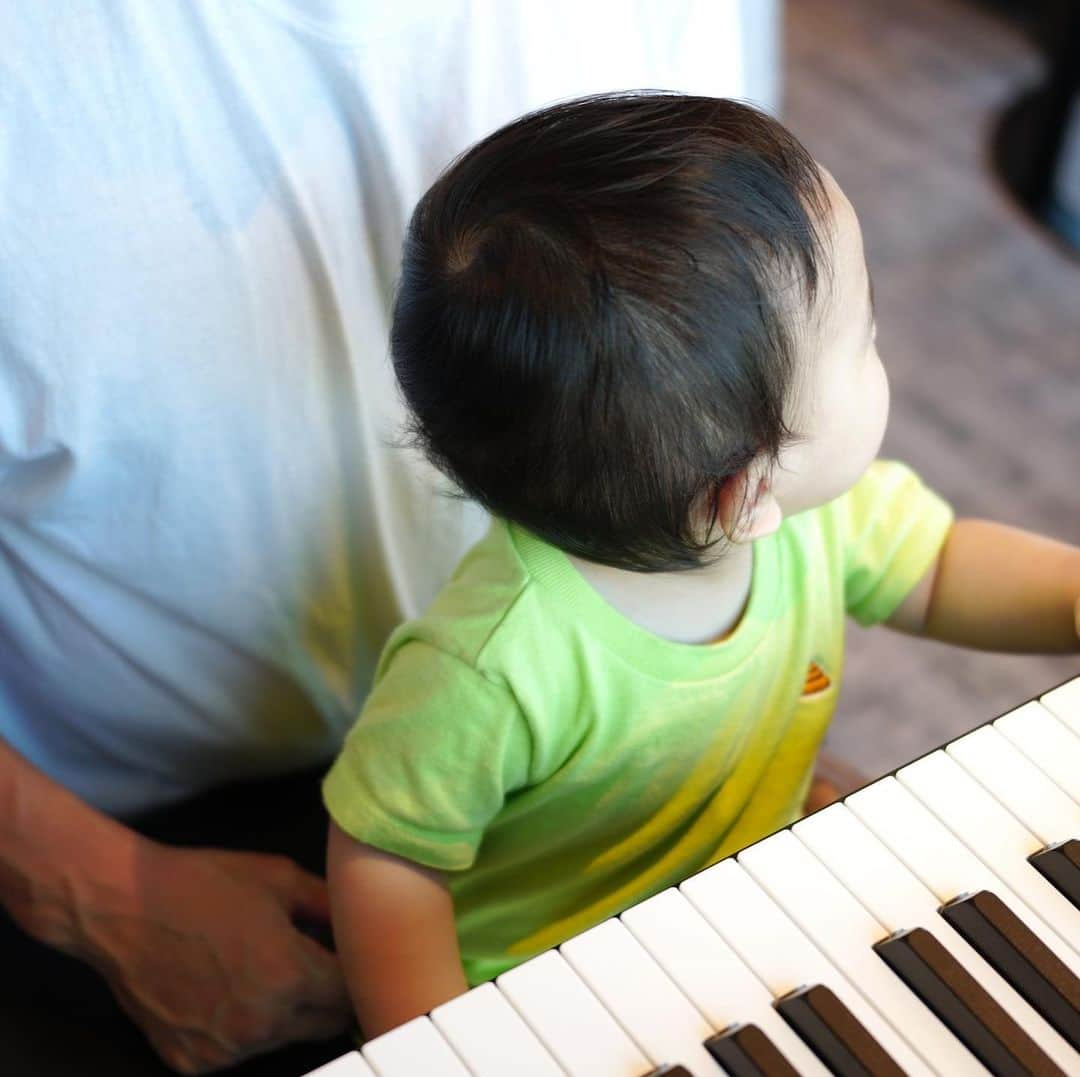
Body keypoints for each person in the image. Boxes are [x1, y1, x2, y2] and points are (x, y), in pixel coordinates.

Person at [0, 3, 782, 1073]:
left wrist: (751, 730)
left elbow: (747, 353)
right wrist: (93, 892)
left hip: (570, 729)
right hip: (123, 827)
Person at [322, 91, 1080, 1040]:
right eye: (866, 337)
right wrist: (441, 1041)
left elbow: (939, 568)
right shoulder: (487, 667)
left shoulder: (813, 510)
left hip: (746, 910)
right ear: (744, 494)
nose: (886, 344)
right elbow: (384, 859)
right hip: (551, 998)